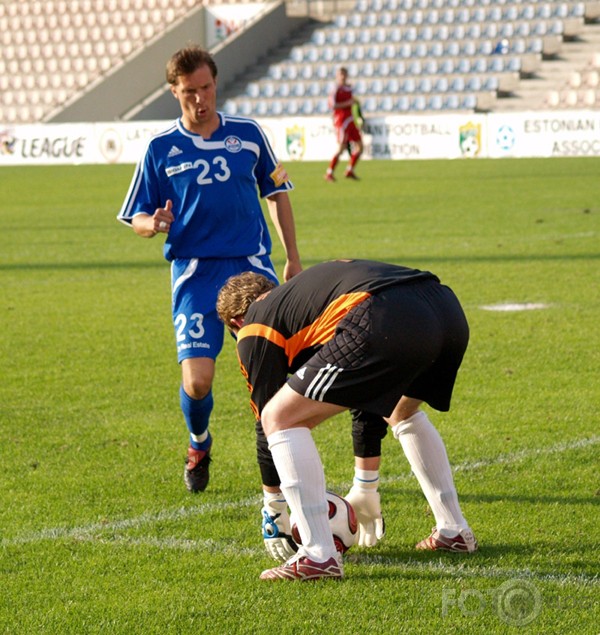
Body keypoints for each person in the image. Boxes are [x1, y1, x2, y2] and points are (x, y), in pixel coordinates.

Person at [217, 259, 478, 581]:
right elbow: (368, 394)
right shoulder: (307, 305)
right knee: (402, 410)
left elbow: (265, 421)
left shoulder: (254, 323)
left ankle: (317, 555)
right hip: (444, 308)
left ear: (235, 320)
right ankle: (454, 530)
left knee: (279, 417)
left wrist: (274, 506)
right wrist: (365, 485)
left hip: (385, 313)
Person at [117, 46, 302, 494]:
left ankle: (283, 470)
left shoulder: (249, 134)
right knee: (198, 383)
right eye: (188, 93)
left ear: (215, 84)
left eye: (206, 88)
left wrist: (292, 256)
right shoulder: (161, 148)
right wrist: (152, 225)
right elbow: (135, 214)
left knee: (274, 378)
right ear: (174, 92)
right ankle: (199, 442)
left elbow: (276, 194)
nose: (200, 99)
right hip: (195, 274)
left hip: (252, 269)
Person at [324, 67, 363, 182]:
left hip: (350, 120)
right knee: (341, 148)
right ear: (337, 76)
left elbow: (352, 102)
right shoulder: (335, 89)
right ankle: (329, 172)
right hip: (341, 121)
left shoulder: (349, 88)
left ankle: (349, 170)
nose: (342, 76)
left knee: (360, 146)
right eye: (340, 74)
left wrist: (355, 104)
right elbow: (332, 105)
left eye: (344, 74)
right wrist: (348, 103)